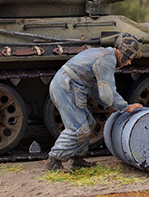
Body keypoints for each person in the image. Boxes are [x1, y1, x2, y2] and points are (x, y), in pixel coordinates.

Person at [46, 34, 143, 170]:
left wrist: (110, 104)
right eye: (130, 58)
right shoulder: (107, 59)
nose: (129, 63)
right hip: (68, 86)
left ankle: (77, 159)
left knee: (89, 123)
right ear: (126, 52)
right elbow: (107, 91)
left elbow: (95, 89)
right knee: (78, 129)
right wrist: (125, 107)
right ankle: (54, 160)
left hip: (67, 84)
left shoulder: (103, 54)